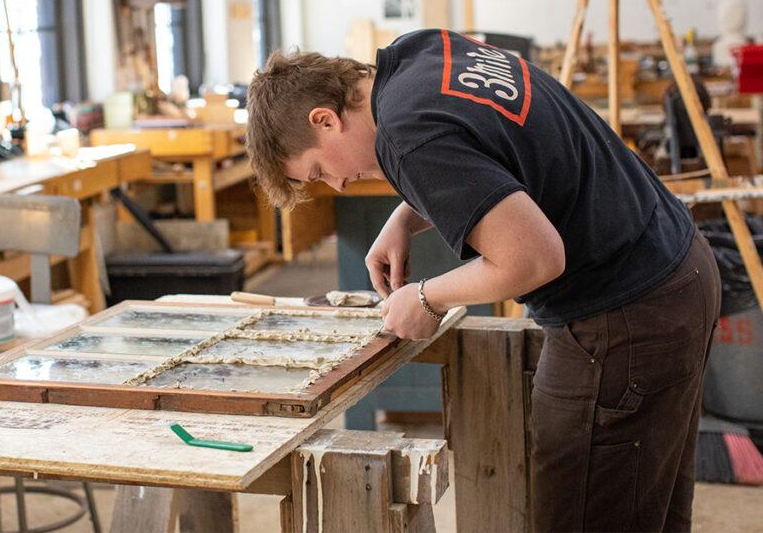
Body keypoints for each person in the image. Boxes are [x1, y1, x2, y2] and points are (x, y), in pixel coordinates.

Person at [245, 28, 721, 532]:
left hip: (624, 313)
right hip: (678, 267)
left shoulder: (407, 135)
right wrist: (406, 216)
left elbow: (535, 259)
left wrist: (427, 298)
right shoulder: (421, 54)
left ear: (325, 119)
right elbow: (487, 149)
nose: (337, 184)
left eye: (318, 169)